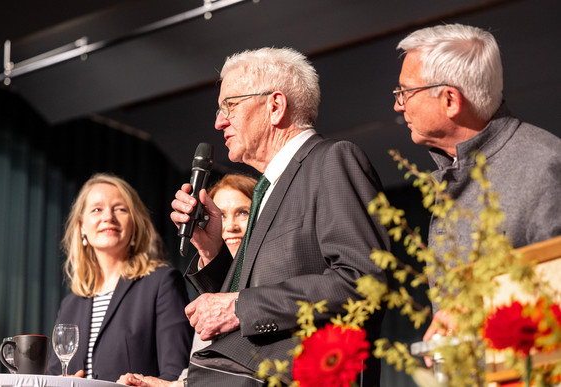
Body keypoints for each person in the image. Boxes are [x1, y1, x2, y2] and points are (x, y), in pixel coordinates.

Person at [122, 47, 390, 387]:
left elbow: (361, 282)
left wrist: (239, 306)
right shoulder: (268, 188)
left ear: (275, 106)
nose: (219, 121)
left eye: (229, 106)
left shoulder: (331, 161)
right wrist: (212, 251)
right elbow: (246, 302)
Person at [392, 24, 561, 342]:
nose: (399, 105)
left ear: (450, 101)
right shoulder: (455, 168)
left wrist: (478, 310)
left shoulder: (545, 164)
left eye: (405, 92)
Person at [47, 173, 193, 381]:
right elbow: (54, 376)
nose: (108, 217)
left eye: (120, 209)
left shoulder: (162, 283)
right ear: (81, 227)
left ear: (134, 225)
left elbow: (177, 373)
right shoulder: (69, 304)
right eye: (97, 209)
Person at [176, 173, 257, 382]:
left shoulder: (267, 283)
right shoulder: (211, 294)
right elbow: (196, 374)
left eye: (242, 213)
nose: (230, 226)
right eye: (220, 216)